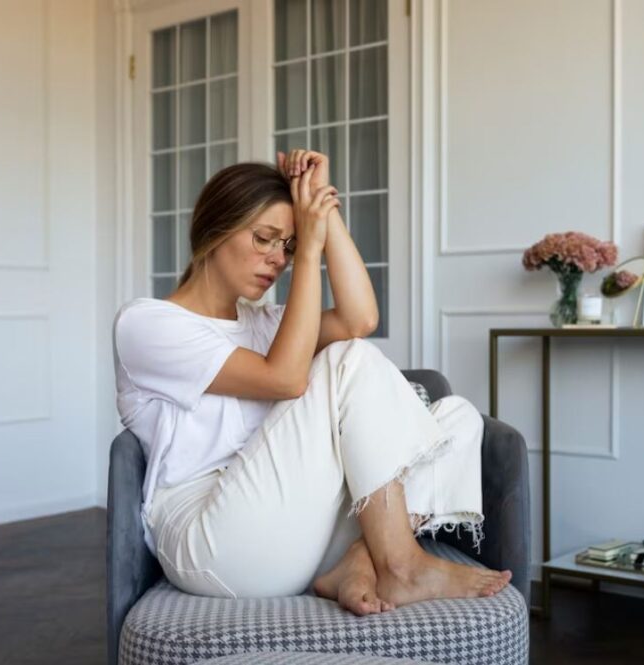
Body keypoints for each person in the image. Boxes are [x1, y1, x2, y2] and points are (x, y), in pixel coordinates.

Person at [112, 149, 511, 616]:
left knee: (455, 417)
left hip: (293, 528)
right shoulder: (147, 324)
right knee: (348, 360)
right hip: (215, 543)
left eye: (288, 246)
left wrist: (322, 207)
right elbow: (285, 378)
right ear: (214, 230)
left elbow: (359, 316)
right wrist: (311, 253)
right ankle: (402, 564)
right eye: (265, 238)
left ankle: (360, 558)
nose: (277, 259)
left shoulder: (263, 323)